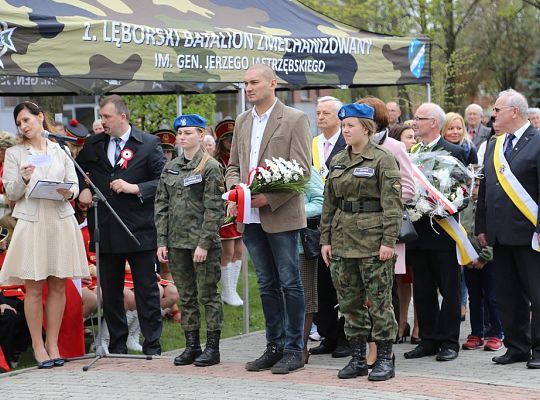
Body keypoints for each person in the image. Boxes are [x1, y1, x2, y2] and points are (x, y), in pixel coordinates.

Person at [225, 64, 311, 374]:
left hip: (281, 215)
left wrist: (269, 198)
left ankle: (294, 348)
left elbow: (302, 170)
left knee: (290, 282)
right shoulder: (243, 121)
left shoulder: (295, 119)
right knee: (266, 283)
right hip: (249, 216)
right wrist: (236, 192)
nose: (248, 88)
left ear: (272, 83)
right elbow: (233, 165)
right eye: (245, 83)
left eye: (254, 82)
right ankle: (273, 345)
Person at [0, 101, 89, 368]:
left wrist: (70, 192)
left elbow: (74, 184)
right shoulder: (16, 154)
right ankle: (39, 349)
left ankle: (53, 344)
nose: (23, 126)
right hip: (32, 220)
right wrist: (25, 180)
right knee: (35, 287)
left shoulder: (59, 149)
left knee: (59, 284)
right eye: (19, 123)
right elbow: (12, 193)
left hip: (60, 219)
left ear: (41, 118)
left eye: (27, 120)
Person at [76, 95, 165, 356]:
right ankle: (117, 345)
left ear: (122, 117)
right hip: (106, 228)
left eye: (106, 117)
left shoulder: (148, 144)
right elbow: (76, 171)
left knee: (146, 290)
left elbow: (163, 180)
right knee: (112, 291)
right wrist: (83, 189)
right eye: (101, 116)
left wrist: (135, 187)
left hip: (139, 229)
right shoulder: (93, 144)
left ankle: (153, 345)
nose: (102, 121)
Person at [320, 103, 402, 381]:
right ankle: (357, 358)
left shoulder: (383, 159)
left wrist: (388, 242)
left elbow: (393, 206)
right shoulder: (338, 160)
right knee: (349, 302)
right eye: (343, 126)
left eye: (350, 126)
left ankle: (385, 358)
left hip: (373, 241)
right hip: (342, 240)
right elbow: (329, 203)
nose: (345, 131)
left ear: (366, 128)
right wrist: (325, 239)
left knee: (379, 302)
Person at [476, 89, 540, 369]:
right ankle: (517, 346)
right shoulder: (494, 145)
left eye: (497, 110)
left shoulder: (537, 141)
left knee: (537, 294)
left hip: (530, 234)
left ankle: (538, 349)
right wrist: (481, 226)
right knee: (507, 294)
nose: (493, 116)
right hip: (500, 234)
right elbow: (485, 188)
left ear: (515, 111)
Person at [155, 113, 224, 367]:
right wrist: (162, 241)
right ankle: (192, 345)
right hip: (176, 243)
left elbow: (214, 209)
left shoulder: (210, 167)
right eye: (180, 134)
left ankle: (213, 347)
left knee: (208, 295)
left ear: (201, 134)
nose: (182, 137)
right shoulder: (170, 167)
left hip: (201, 245)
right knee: (186, 296)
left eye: (188, 133)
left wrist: (204, 244)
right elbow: (161, 204)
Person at [404, 103, 466, 362]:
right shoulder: (412, 152)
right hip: (418, 231)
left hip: (443, 231)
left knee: (449, 289)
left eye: (420, 118)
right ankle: (427, 339)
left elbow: (463, 190)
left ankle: (449, 341)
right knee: (423, 289)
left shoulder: (453, 151)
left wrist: (442, 206)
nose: (414, 122)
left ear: (434, 123)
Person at [309, 96, 351, 359]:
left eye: (326, 113)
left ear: (339, 117)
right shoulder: (312, 143)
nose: (321, 117)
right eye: (318, 112)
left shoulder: (347, 142)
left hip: (343, 221)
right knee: (321, 283)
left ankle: (346, 337)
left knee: (343, 283)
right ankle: (328, 334)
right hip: (317, 220)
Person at [214, 119, 244, 307]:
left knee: (239, 250)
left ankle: (232, 289)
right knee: (228, 251)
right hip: (224, 209)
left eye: (233, 138)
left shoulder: (241, 156)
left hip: (239, 207)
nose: (231, 142)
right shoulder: (216, 161)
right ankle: (226, 291)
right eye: (227, 139)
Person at [298, 166, 324, 364]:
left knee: (305, 297)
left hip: (301, 245)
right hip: (275, 242)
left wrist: (295, 212)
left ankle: (301, 347)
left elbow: (320, 201)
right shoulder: (267, 167)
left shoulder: (305, 169)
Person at [0, 131, 17, 217]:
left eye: (1, 150)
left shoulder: (14, 166)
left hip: (11, 213)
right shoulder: (1, 163)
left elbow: (12, 199)